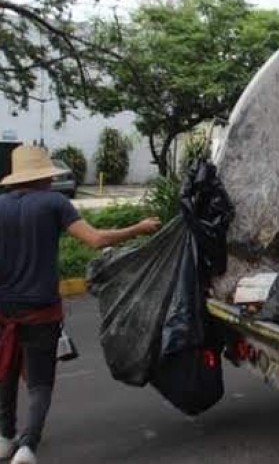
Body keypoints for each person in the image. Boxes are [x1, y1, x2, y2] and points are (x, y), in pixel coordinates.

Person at [0, 146, 160, 464]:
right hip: (40, 309)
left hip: (4, 310)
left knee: (6, 371)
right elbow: (96, 240)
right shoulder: (54, 203)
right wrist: (138, 228)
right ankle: (28, 446)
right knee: (40, 381)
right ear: (44, 177)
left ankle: (5, 437)